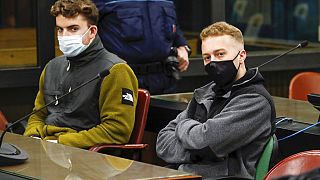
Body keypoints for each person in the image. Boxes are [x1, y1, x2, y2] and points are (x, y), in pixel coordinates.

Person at [156, 22, 276, 179]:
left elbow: (205, 142)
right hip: (185, 174)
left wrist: (183, 125)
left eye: (220, 54)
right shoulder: (205, 92)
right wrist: (196, 154)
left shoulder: (255, 100)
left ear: (241, 56)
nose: (213, 62)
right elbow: (162, 141)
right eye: (207, 57)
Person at [23, 0, 138, 149]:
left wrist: (60, 143)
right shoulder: (52, 67)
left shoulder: (115, 70)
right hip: (46, 149)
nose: (64, 36)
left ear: (92, 32)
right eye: (60, 29)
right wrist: (33, 136)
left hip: (86, 156)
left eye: (73, 29)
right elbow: (38, 115)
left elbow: (117, 130)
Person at [92, 0, 191, 95]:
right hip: (123, 78)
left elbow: (173, 24)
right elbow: (85, 26)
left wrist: (182, 45)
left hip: (164, 78)